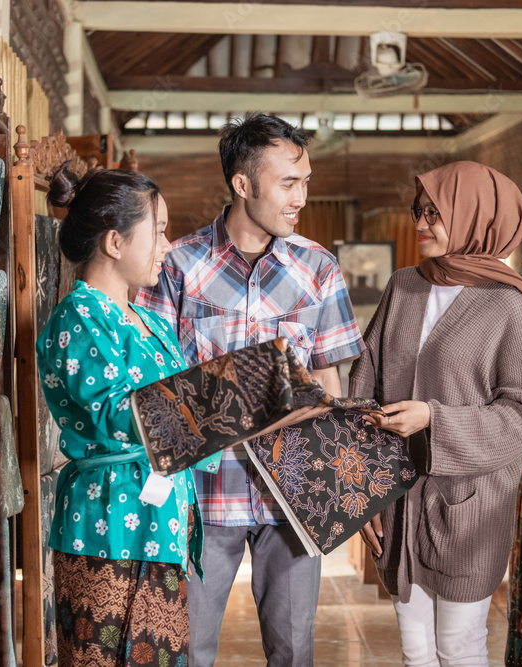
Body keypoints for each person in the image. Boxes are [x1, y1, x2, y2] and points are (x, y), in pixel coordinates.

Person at [137, 113, 365, 667]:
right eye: (289, 183)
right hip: (202, 498)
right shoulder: (181, 267)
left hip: (292, 498)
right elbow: (153, 385)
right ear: (243, 184)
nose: (301, 198)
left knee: (294, 653)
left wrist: (339, 491)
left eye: (306, 182)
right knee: (187, 651)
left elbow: (332, 382)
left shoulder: (319, 269)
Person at [351, 161, 522, 666]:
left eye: (436, 213)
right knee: (415, 649)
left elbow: (519, 415)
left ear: (475, 216)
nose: (422, 224)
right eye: (419, 212)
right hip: (399, 500)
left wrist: (433, 417)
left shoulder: (506, 303)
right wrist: (363, 487)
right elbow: (366, 381)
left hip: (469, 506)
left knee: (459, 647)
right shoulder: (403, 286)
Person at [37, 164, 225, 666]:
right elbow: (123, 413)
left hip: (159, 527)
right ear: (116, 242)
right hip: (106, 526)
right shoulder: (78, 317)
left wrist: (232, 407)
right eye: (160, 231)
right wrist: (226, 400)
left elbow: (186, 406)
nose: (169, 245)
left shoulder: (149, 320)